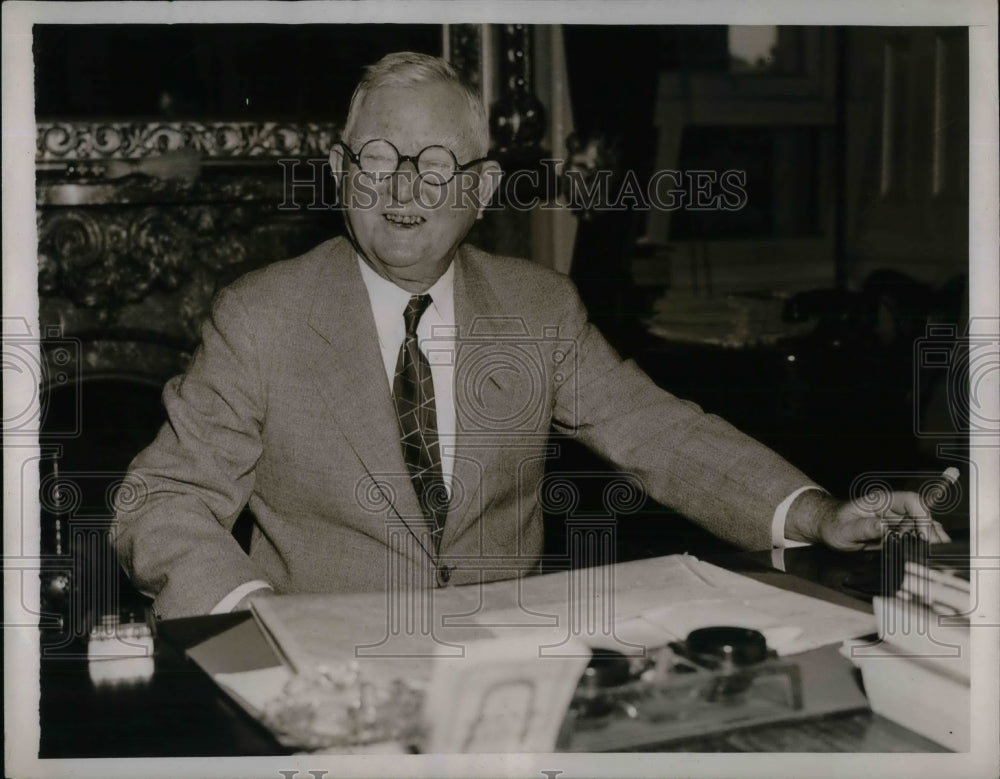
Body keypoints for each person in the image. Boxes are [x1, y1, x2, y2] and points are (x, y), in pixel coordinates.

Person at [114, 52, 947, 619]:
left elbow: (662, 435)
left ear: (481, 189)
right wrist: (259, 617)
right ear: (339, 175)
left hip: (504, 680)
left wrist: (819, 512)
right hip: (329, 682)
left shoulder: (540, 308)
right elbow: (160, 500)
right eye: (376, 159)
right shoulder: (261, 316)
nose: (403, 189)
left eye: (436, 166)